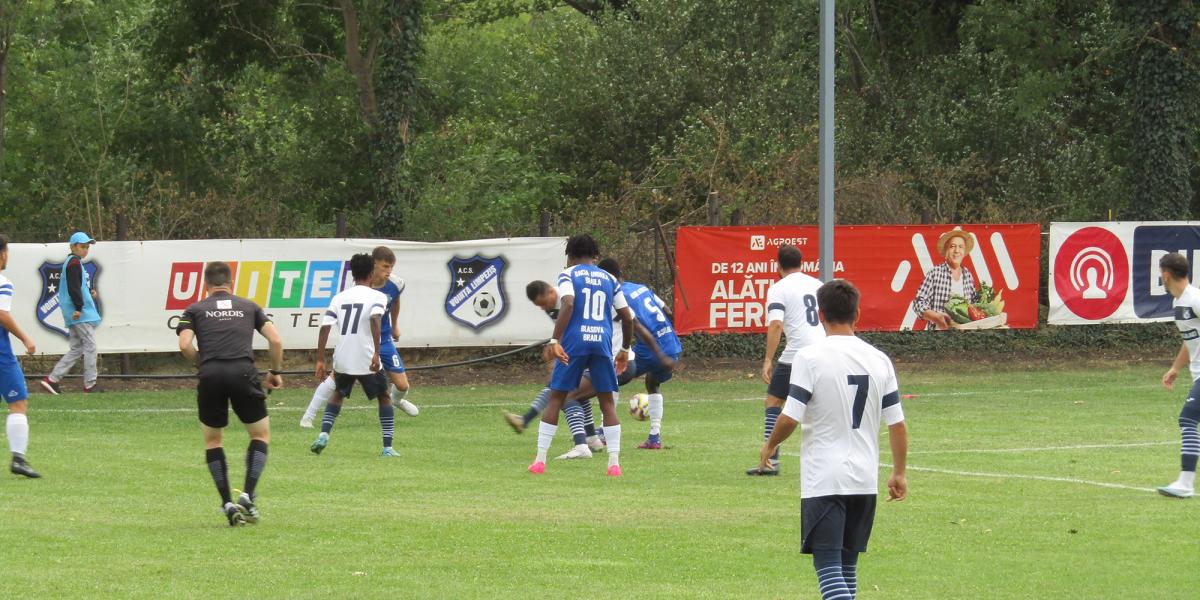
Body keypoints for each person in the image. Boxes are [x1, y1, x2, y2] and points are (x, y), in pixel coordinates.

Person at [758, 279, 908, 600]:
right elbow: (897, 423)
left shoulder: (810, 357)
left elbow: (790, 415)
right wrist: (898, 472)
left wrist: (770, 445)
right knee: (847, 567)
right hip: (864, 479)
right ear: (858, 314)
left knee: (827, 567)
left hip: (825, 477)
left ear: (820, 315)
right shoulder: (879, 359)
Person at [176, 261, 284, 526]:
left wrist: (201, 363)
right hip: (243, 372)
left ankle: (227, 502)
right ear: (231, 283)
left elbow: (184, 345)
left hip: (211, 374)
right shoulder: (249, 306)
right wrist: (274, 371)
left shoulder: (194, 309)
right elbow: (276, 340)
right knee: (259, 435)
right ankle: (247, 494)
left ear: (206, 285)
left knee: (213, 441)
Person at [528, 234, 634, 476]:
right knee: (607, 403)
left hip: (575, 343)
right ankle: (614, 464)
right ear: (595, 255)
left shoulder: (569, 274)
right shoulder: (609, 278)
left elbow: (568, 302)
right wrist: (625, 349)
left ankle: (540, 460)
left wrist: (555, 340)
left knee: (557, 398)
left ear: (571, 255)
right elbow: (627, 317)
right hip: (602, 344)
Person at [300, 246, 417, 427]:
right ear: (373, 265)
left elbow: (395, 302)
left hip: (384, 340)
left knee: (402, 386)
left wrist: (395, 325)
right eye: (385, 266)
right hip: (361, 340)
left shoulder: (396, 284)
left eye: (391, 267)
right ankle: (308, 416)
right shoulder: (357, 289)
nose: (389, 271)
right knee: (335, 379)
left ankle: (396, 400)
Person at [505, 280, 608, 459]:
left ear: (552, 292)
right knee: (575, 392)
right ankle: (592, 439)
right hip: (579, 349)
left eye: (543, 303)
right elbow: (563, 330)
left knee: (562, 391)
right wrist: (555, 347)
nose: (542, 308)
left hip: (592, 350)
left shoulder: (568, 299)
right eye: (539, 306)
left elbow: (577, 328)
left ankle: (527, 420)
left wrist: (556, 347)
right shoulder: (553, 307)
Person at [747, 244, 825, 476]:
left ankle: (770, 460)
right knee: (819, 407)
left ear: (778, 266)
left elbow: (776, 324)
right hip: (823, 351)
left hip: (797, 354)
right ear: (802, 263)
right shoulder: (818, 285)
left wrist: (767, 360)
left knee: (773, 402)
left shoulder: (778, 288)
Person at [309, 253, 396, 457]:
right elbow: (375, 319)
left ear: (353, 274)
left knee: (338, 393)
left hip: (344, 356)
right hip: (366, 356)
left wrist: (320, 359)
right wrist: (376, 353)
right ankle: (387, 448)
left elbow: (325, 327)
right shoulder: (377, 296)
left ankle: (324, 434)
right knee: (384, 396)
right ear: (371, 273)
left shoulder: (339, 297)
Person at [597, 258, 680, 449]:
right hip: (671, 343)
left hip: (651, 347)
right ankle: (654, 437)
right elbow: (666, 309)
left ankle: (603, 432)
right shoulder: (641, 287)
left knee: (611, 378)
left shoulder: (618, 295)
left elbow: (631, 323)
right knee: (652, 383)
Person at [1157, 252, 1200, 498]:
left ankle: (1185, 483)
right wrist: (1175, 368)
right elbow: (1190, 339)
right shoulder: (1178, 303)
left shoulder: (1195, 299)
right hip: (1197, 373)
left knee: (1187, 420)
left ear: (1166, 275)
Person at [0, 235, 41, 478]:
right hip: (1, 353)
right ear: (3, 254)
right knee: (18, 402)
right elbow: (1, 314)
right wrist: (25, 338)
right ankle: (18, 458)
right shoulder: (2, 282)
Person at [41, 231, 102, 394]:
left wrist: (89, 291)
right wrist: (79, 307)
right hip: (79, 313)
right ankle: (90, 385)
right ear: (73, 247)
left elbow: (77, 285)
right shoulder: (74, 263)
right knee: (90, 346)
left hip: (74, 311)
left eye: (87, 247)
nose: (86, 249)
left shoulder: (74, 262)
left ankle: (52, 380)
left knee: (77, 348)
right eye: (82, 246)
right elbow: (73, 288)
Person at [910, 228, 980, 330]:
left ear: (964, 251)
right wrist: (936, 317)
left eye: (960, 247)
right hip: (940, 334)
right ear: (946, 250)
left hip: (964, 334)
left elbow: (973, 305)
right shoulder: (935, 273)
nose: (957, 251)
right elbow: (918, 303)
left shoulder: (967, 275)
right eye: (952, 246)